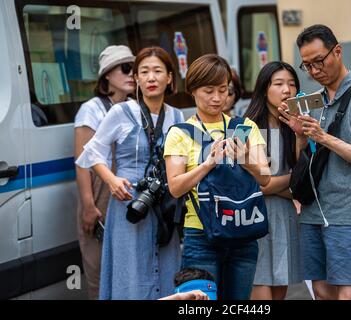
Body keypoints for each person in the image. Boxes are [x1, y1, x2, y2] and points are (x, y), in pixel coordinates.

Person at [279, 24, 351, 300]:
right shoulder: (313, 101)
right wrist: (301, 137)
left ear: (337, 51)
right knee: (321, 291)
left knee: (348, 292)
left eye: (319, 61)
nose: (314, 71)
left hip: (349, 212)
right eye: (307, 66)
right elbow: (306, 157)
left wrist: (324, 137)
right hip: (312, 210)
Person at [76, 46, 184, 300]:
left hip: (164, 205)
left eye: (158, 71)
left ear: (169, 77)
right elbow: (90, 153)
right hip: (128, 203)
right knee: (130, 274)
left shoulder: (177, 116)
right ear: (136, 79)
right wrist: (110, 179)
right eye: (144, 72)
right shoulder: (121, 112)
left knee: (167, 269)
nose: (151, 77)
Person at [164, 54, 270, 300]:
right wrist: (208, 163)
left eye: (223, 90)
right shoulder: (180, 133)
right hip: (200, 238)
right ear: (193, 91)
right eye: (208, 90)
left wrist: (245, 158)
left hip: (242, 235)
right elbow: (176, 187)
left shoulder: (244, 127)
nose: (217, 98)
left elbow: (265, 177)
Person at [74, 45, 135, 299]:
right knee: (99, 273)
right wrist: (89, 205)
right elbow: (82, 160)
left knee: (126, 271)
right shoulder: (92, 109)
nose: (133, 74)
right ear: (107, 75)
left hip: (126, 190)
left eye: (135, 68)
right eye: (125, 68)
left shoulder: (134, 106)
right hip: (100, 193)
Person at [243, 61, 302, 300]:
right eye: (278, 84)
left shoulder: (298, 126)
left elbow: (304, 180)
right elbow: (248, 184)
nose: (286, 90)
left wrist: (300, 136)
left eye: (291, 84)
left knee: (279, 292)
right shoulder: (243, 126)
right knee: (260, 291)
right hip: (252, 216)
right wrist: (288, 182)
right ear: (263, 88)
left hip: (285, 217)